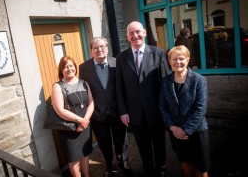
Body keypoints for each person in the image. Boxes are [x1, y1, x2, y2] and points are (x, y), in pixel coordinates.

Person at [116, 21, 169, 177]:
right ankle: (149, 173)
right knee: (143, 149)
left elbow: (165, 84)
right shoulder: (121, 58)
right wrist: (123, 111)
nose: (135, 36)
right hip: (135, 114)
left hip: (156, 113)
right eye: (131, 33)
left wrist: (166, 111)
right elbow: (119, 88)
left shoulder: (158, 53)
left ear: (145, 32)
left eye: (138, 32)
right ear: (127, 36)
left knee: (160, 147)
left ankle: (161, 172)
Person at [79, 37, 131, 177]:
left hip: (117, 113)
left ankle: (124, 165)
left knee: (122, 143)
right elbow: (84, 91)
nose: (100, 50)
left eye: (102, 46)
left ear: (107, 47)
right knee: (104, 144)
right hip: (98, 115)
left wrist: (125, 109)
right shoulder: (84, 67)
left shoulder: (117, 62)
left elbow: (124, 87)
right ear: (91, 50)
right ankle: (109, 167)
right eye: (96, 48)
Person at [159, 45, 210, 177]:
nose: (178, 62)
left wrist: (185, 130)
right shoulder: (165, 82)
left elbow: (201, 108)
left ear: (187, 60)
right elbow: (162, 106)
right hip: (175, 132)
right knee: (185, 163)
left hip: (196, 132)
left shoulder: (199, 80)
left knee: (201, 167)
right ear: (169, 62)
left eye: (181, 59)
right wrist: (172, 127)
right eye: (174, 59)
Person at [51, 56, 94, 177]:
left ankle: (87, 175)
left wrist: (85, 120)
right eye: (65, 67)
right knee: (74, 158)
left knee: (85, 153)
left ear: (75, 67)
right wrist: (80, 120)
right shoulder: (58, 86)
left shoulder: (84, 83)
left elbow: (91, 103)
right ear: (61, 70)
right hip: (70, 127)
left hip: (85, 124)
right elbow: (59, 110)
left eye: (71, 66)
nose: (69, 69)